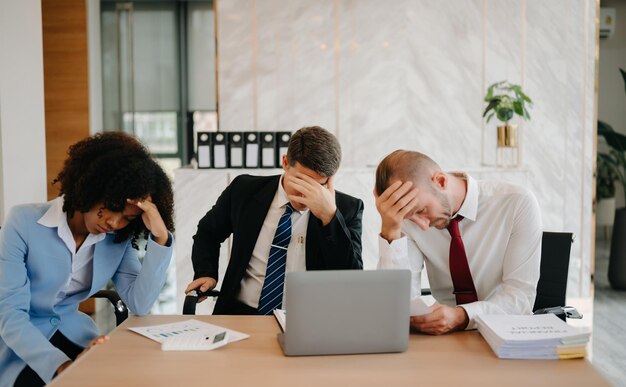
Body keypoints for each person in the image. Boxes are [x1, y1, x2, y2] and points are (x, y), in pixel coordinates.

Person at [0, 132, 175, 387]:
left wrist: (160, 237)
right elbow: (11, 316)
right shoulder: (23, 223)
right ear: (93, 187)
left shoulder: (116, 240)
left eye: (127, 218)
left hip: (79, 340)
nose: (114, 222)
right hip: (24, 348)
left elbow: (140, 302)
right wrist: (64, 367)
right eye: (113, 208)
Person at [186, 126, 363, 315]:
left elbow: (351, 280)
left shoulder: (347, 209)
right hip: (241, 314)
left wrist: (330, 218)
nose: (306, 195)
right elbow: (208, 232)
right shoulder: (244, 190)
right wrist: (206, 272)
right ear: (285, 162)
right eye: (300, 182)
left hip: (309, 320)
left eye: (318, 186)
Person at [374, 150, 541, 335]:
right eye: (410, 218)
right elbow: (395, 304)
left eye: (422, 210)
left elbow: (520, 298)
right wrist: (390, 231)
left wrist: (462, 316)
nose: (421, 225)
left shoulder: (516, 203)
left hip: (506, 332)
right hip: (444, 341)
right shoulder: (408, 218)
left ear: (440, 181)